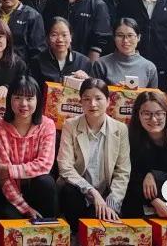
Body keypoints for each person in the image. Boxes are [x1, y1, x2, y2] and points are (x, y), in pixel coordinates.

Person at [56, 78, 130, 227]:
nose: (92, 104)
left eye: (98, 98)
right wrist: (91, 191)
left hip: (105, 195)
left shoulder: (120, 129)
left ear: (108, 101)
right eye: (87, 99)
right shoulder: (70, 125)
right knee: (70, 191)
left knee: (102, 225)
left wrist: (111, 203)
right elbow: (65, 167)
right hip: (78, 192)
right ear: (80, 102)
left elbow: (122, 171)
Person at [0, 76, 58, 220]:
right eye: (18, 98)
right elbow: (3, 178)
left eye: (29, 98)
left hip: (37, 189)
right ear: (9, 99)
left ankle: (49, 227)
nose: (23, 104)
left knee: (46, 182)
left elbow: (44, 165)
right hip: (11, 193)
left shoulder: (47, 125)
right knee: (9, 218)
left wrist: (10, 170)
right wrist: (25, 208)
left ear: (38, 100)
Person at [29, 18, 92, 100]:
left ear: (71, 37)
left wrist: (87, 80)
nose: (60, 39)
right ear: (47, 38)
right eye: (54, 35)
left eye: (64, 35)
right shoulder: (37, 61)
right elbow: (32, 91)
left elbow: (92, 91)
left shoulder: (84, 62)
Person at [91, 17, 159, 88]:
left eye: (130, 35)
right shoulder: (101, 64)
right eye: (120, 35)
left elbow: (153, 95)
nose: (125, 40)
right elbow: (93, 92)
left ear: (138, 37)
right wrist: (114, 90)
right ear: (114, 37)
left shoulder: (149, 67)